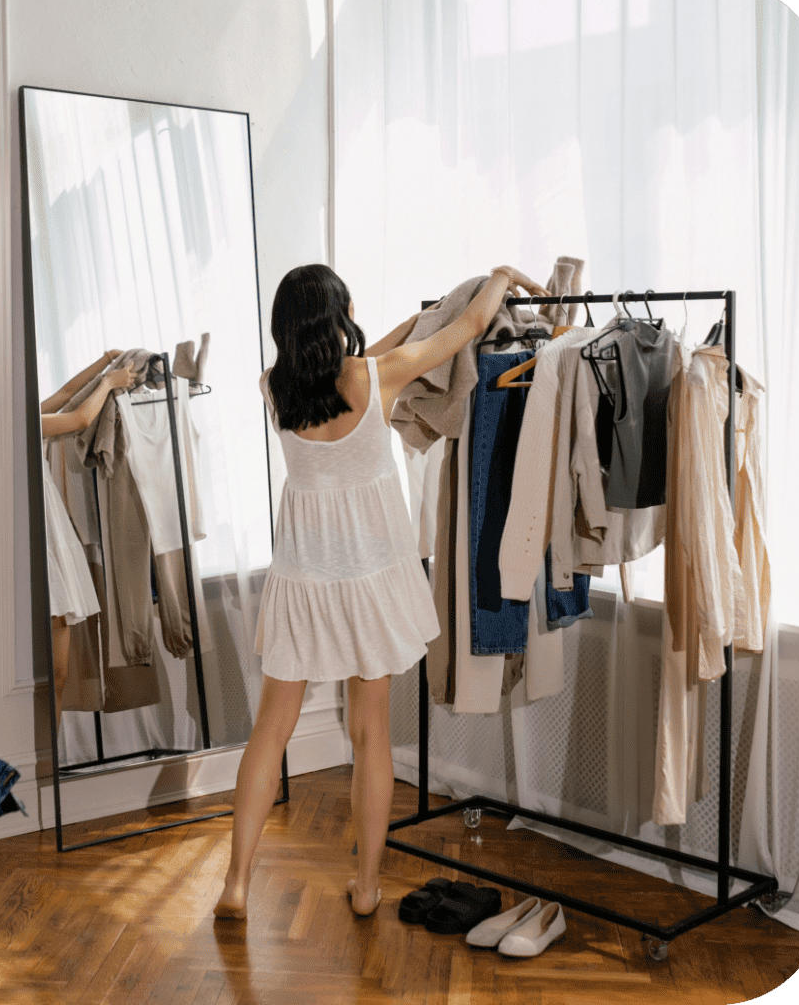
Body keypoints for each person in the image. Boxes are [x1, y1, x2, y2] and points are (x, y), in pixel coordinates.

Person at [214, 263, 549, 920]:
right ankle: (366, 889)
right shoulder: (377, 377)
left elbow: (380, 352)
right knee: (371, 737)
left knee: (268, 735)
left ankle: (235, 884)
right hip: (370, 581)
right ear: (338, 317)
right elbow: (470, 328)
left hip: (304, 580)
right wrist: (499, 276)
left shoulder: (272, 389)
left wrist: (393, 333)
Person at [40, 350, 136, 727]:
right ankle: (43, 758)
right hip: (43, 540)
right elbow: (78, 417)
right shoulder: (12, 420)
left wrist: (103, 363)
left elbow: (65, 393)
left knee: (58, 673)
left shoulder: (21, 413)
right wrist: (110, 382)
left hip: (51, 538)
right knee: (55, 673)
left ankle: (49, 758)